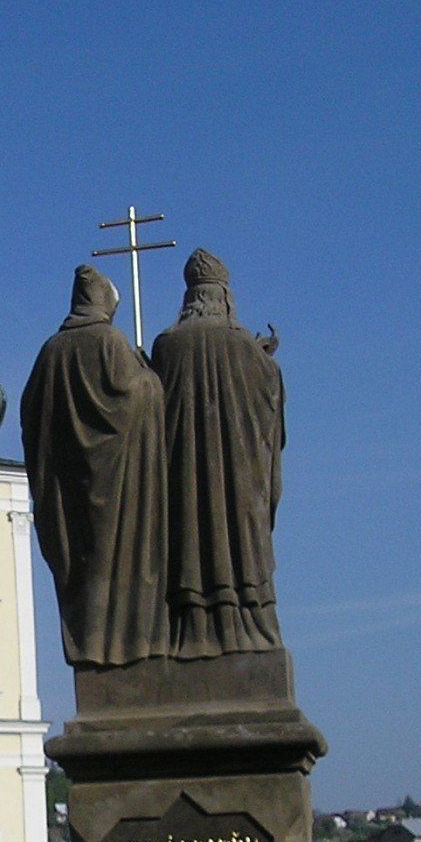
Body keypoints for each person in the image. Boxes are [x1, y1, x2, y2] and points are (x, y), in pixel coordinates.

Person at [19, 265, 171, 668]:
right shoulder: (110, 341)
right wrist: (149, 374)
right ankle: (123, 648)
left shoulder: (51, 351)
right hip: (117, 484)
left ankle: (90, 646)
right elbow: (131, 398)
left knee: (83, 574)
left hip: (67, 493)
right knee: (122, 568)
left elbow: (31, 416)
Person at [152, 249, 286, 656]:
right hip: (239, 481)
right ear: (224, 296)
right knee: (243, 547)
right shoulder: (245, 346)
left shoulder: (167, 346)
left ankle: (191, 632)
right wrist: (264, 360)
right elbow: (269, 411)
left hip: (185, 481)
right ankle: (248, 624)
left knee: (188, 545)